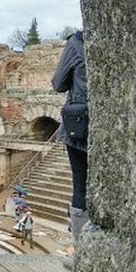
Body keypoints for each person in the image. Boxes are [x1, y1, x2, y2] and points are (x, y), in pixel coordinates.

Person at [52, 29, 88, 246]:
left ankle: (80, 247)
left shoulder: (77, 42)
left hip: (79, 127)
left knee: (80, 187)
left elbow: (58, 83)